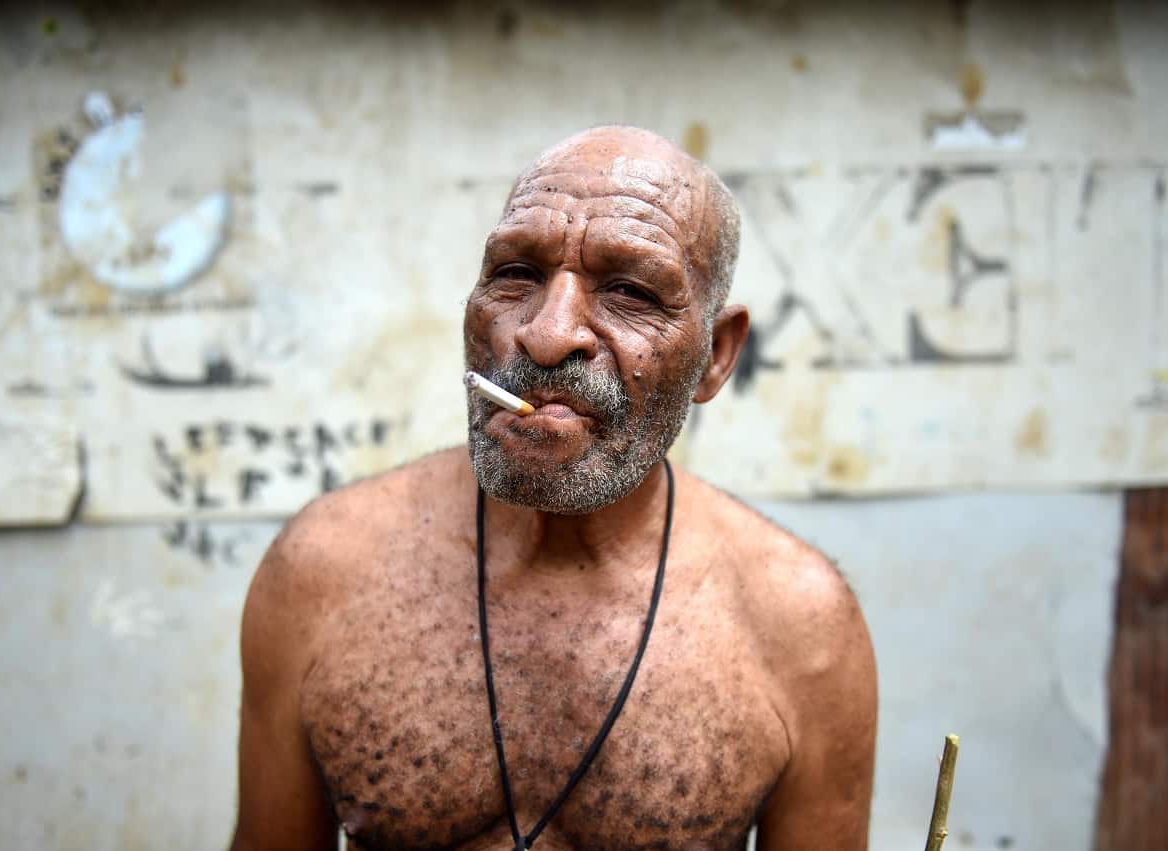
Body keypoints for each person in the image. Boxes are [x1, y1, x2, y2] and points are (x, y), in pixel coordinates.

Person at [230, 126, 876, 851]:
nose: (546, 334)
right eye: (515, 274)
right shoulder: (321, 572)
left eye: (630, 291)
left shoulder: (801, 625)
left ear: (715, 357)